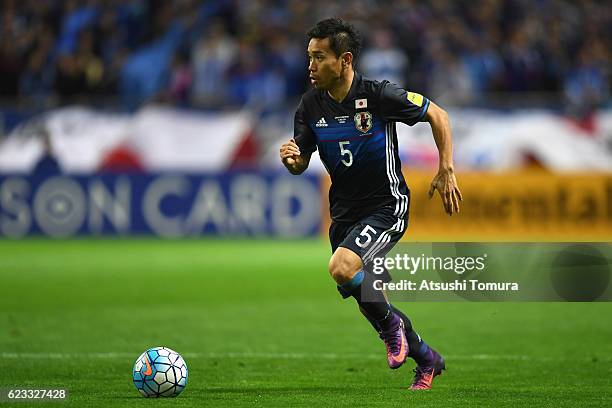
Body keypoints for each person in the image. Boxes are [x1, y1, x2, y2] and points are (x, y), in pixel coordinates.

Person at [279, 18, 462, 390]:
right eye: (308, 57)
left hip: (385, 205)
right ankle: (426, 357)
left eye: (319, 57)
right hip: (344, 214)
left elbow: (437, 114)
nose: (310, 66)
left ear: (344, 60)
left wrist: (446, 168)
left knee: (343, 268)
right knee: (368, 296)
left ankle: (392, 329)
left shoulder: (378, 95)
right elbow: (301, 162)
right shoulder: (310, 105)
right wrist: (292, 159)